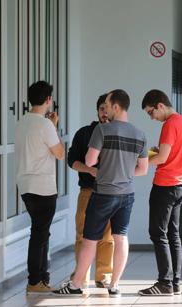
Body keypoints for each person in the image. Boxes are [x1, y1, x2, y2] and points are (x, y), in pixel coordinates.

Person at [54, 89, 148, 297]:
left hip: (104, 193)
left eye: (107, 105)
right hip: (127, 195)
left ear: (115, 106)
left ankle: (76, 284)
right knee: (120, 237)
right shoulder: (139, 133)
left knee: (90, 239)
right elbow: (143, 170)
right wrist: (122, 171)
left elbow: (89, 161)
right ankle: (114, 285)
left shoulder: (102, 131)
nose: (105, 110)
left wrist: (104, 167)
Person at [138, 89, 182, 296]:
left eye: (151, 112)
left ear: (160, 105)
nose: (152, 117)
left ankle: (164, 283)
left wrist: (140, 163)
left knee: (157, 233)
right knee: (173, 234)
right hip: (180, 185)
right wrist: (158, 152)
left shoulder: (170, 124)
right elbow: (171, 153)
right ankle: (175, 282)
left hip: (165, 185)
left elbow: (162, 159)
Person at [15, 81, 65, 294]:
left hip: (26, 185)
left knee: (40, 232)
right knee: (40, 233)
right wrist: (54, 126)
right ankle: (35, 281)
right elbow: (60, 154)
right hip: (43, 186)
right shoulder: (45, 125)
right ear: (48, 100)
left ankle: (42, 279)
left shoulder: (21, 122)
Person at [67, 93, 113, 288]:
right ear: (97, 110)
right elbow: (72, 161)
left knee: (107, 237)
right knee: (82, 234)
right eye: (101, 108)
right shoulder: (84, 133)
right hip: (87, 191)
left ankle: (103, 276)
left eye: (107, 108)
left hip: (111, 192)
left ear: (115, 110)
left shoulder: (119, 133)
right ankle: (81, 275)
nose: (104, 112)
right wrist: (90, 170)